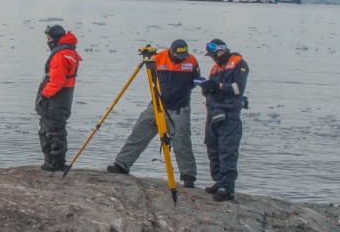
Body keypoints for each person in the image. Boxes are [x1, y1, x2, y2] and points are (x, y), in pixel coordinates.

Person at [106, 39, 198, 186]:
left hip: (179, 108)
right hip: (157, 104)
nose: (181, 58)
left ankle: (188, 176)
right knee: (139, 132)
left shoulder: (192, 60)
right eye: (178, 55)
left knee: (182, 142)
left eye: (183, 56)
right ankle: (122, 164)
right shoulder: (158, 58)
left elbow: (196, 81)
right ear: (171, 51)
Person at [200, 38, 249, 202]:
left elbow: (238, 88)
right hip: (213, 112)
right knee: (212, 146)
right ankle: (219, 180)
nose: (213, 58)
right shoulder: (215, 69)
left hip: (229, 113)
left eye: (214, 54)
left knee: (227, 149)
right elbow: (211, 90)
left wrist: (218, 86)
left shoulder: (238, 63)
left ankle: (227, 187)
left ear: (222, 50)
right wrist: (206, 88)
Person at [36, 24, 81, 171]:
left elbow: (57, 81)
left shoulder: (60, 55)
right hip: (64, 98)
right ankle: (54, 160)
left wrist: (44, 94)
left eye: (48, 38)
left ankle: (55, 162)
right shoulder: (69, 52)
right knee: (53, 128)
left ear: (55, 39)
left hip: (55, 99)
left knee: (52, 130)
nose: (47, 41)